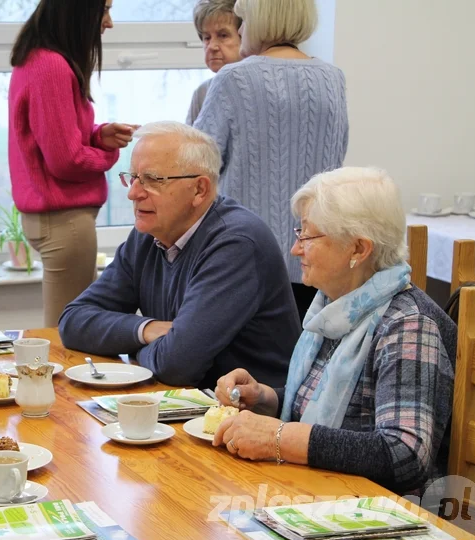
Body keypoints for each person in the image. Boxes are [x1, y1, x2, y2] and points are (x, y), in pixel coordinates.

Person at [213, 168, 456, 497]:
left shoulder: (408, 324)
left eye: (307, 237)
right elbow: (336, 409)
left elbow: (405, 454)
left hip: (379, 509)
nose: (295, 250)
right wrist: (265, 399)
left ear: (358, 249)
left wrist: (280, 438)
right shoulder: (340, 306)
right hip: (323, 489)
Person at [59, 122, 300, 389]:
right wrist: (147, 330)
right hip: (185, 405)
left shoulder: (236, 243)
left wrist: (136, 351)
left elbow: (176, 366)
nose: (133, 193)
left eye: (152, 180)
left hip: (246, 417)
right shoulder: (148, 234)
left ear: (199, 190)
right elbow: (73, 321)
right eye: (133, 177)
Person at [193, 0, 349, 322]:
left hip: (242, 258)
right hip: (316, 257)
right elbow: (337, 161)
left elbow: (196, 166)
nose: (243, 29)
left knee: (241, 369)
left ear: (260, 21)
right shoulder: (333, 78)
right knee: (299, 364)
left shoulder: (232, 79)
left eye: (243, 20)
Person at [8, 0, 137, 327]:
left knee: (70, 328)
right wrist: (110, 154)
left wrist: (97, 136)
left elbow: (54, 137)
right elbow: (65, 160)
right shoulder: (51, 67)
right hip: (64, 222)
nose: (108, 23)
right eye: (104, 10)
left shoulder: (36, 60)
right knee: (67, 335)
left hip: (54, 220)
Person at [185, 0, 242, 126]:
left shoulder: (261, 87)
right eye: (207, 37)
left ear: (245, 36)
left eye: (223, 35)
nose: (212, 46)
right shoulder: (202, 92)